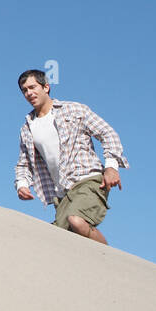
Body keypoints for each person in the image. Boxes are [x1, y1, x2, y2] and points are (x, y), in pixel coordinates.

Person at [14, 70, 127, 245]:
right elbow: (24, 162)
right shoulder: (28, 127)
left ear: (46, 87)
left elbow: (108, 133)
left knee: (76, 221)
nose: (29, 93)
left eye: (32, 87)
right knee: (57, 241)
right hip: (62, 193)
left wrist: (111, 166)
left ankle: (112, 259)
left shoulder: (74, 109)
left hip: (89, 180)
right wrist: (22, 184)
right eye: (24, 90)